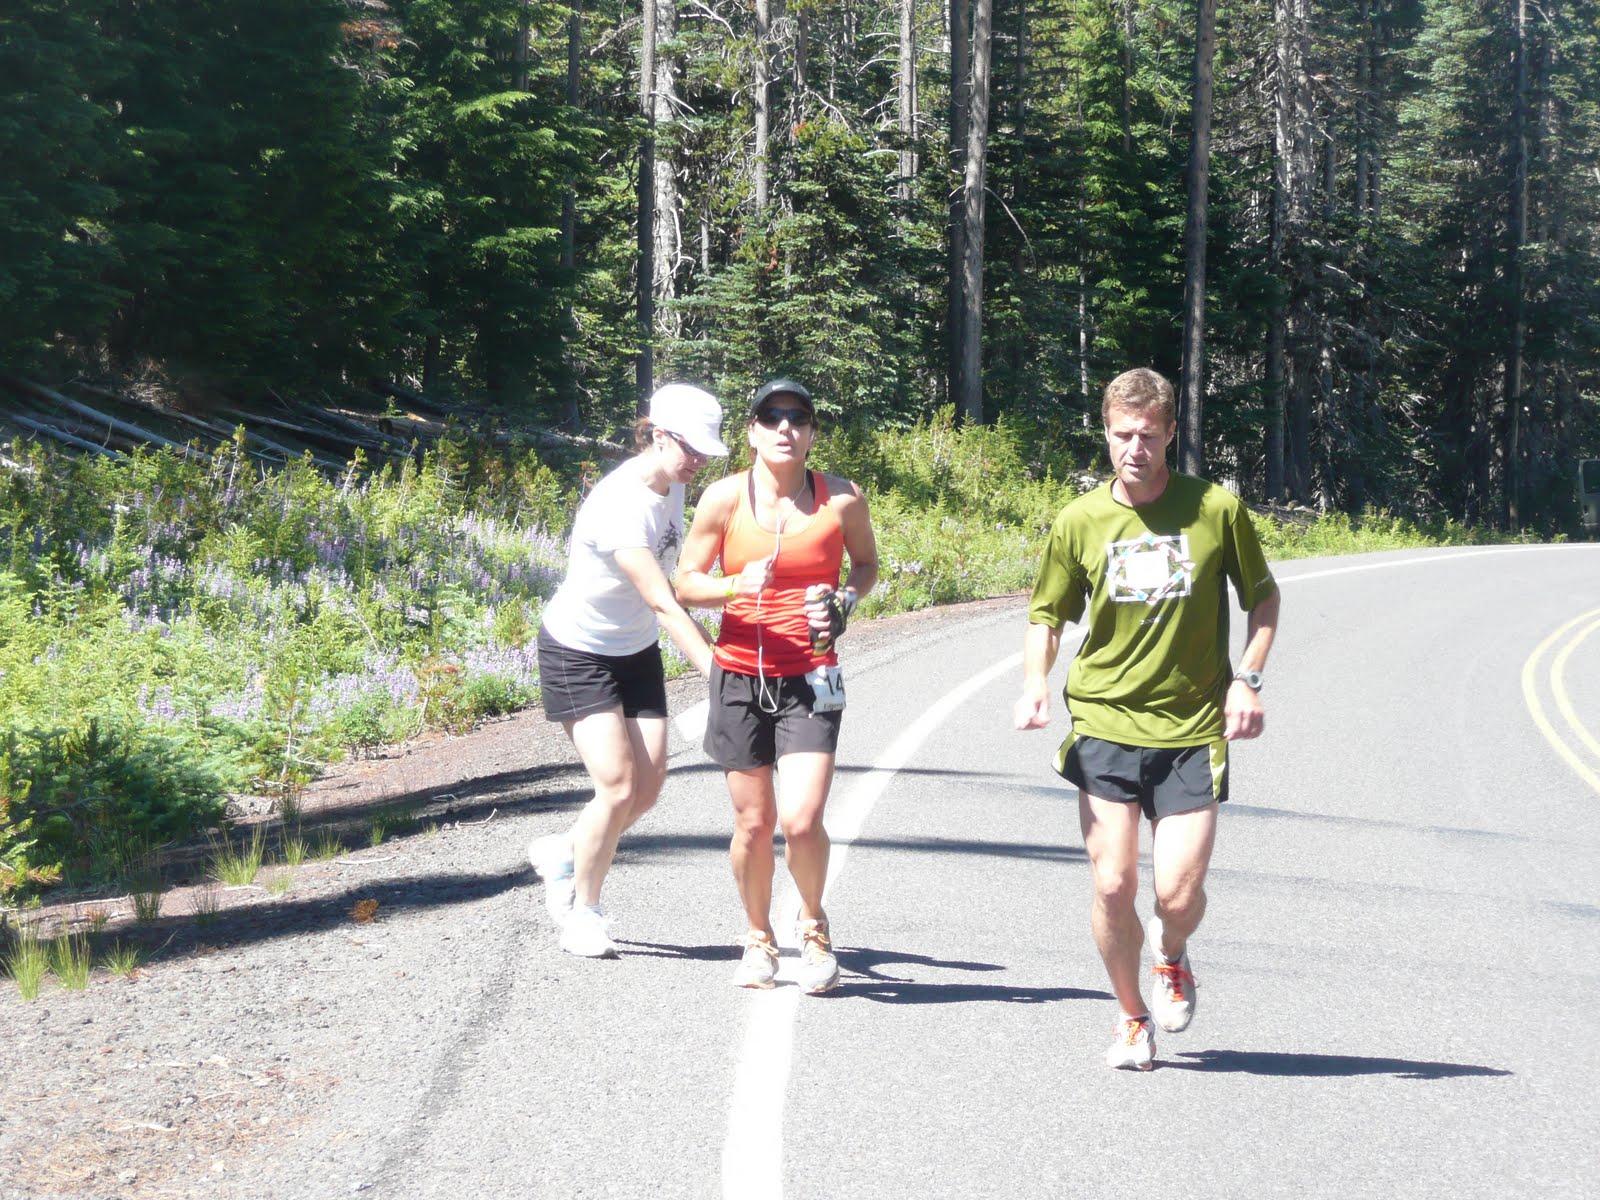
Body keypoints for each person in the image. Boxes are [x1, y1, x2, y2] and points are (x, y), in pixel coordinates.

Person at [1013, 368, 1280, 1070]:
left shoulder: (1215, 510)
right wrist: (1035, 682)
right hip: (1104, 720)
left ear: (1171, 433)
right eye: (1123, 435)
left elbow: (1263, 599)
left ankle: (1172, 952)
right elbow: (1047, 615)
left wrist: (1247, 678)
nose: (1136, 449)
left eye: (1149, 436)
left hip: (1190, 729)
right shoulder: (1080, 520)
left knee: (1177, 894)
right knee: (1111, 884)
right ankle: (1132, 1016)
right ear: (1106, 432)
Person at [676, 379, 878, 993]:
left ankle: (813, 925)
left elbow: (866, 566)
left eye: (798, 417)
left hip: (812, 677)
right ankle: (759, 936)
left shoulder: (842, 499)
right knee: (753, 824)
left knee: (802, 819)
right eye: (771, 416)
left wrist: (846, 600)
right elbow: (685, 584)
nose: (785, 427)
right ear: (752, 432)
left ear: (812, 433)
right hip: (739, 675)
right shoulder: (723, 498)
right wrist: (735, 585)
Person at [527, 383, 727, 958]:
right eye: (691, 448)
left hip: (634, 649)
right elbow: (663, 601)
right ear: (659, 436)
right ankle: (582, 914)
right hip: (579, 650)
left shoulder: (673, 483)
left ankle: (565, 851)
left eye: (706, 452)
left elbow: (678, 584)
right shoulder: (621, 504)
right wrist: (720, 673)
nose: (698, 461)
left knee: (647, 787)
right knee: (615, 786)